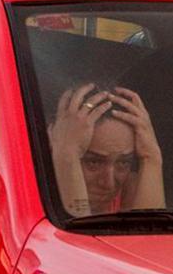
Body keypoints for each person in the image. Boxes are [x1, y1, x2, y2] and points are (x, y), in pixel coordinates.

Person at [48, 83, 164, 217]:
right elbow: (75, 233)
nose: (108, 184)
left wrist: (151, 158)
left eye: (123, 163)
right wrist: (67, 155)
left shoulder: (132, 189)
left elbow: (149, 233)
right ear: (55, 144)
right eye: (94, 162)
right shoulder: (27, 196)